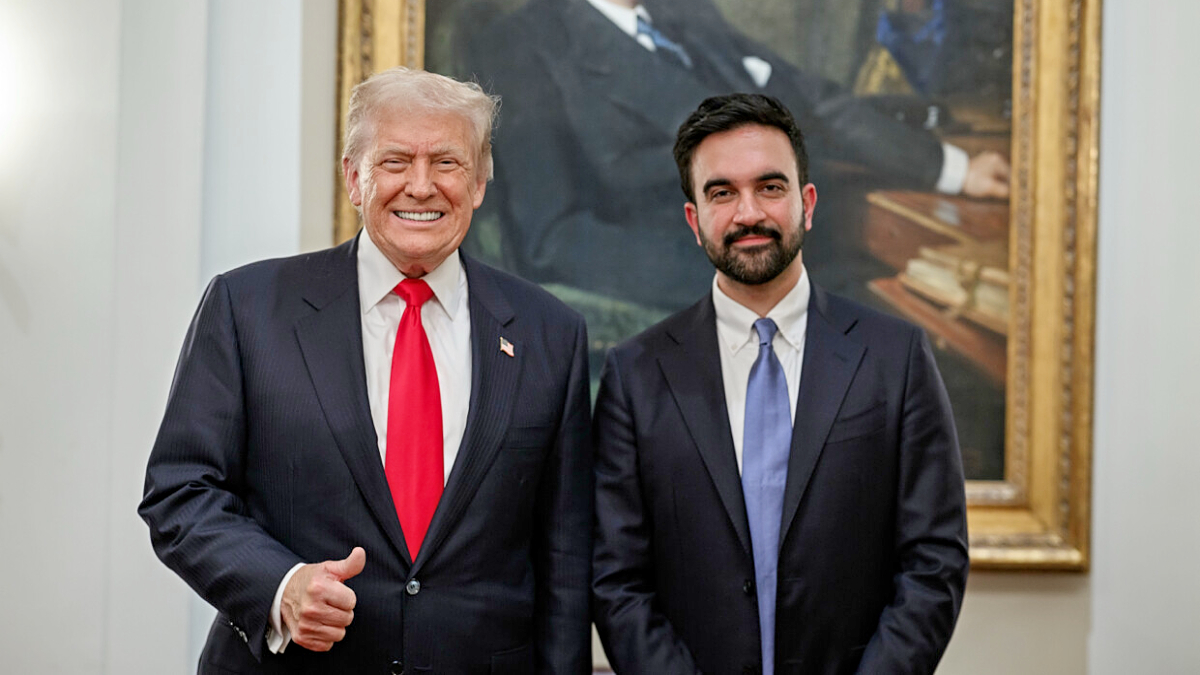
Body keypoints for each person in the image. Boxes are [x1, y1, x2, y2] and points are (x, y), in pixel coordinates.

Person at [139, 67, 593, 674]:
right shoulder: (247, 308)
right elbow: (180, 492)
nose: (422, 186)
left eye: (449, 163)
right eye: (396, 161)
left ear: (481, 182)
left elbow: (564, 556)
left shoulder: (550, 333)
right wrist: (281, 586)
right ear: (355, 177)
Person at [591, 93, 969, 674]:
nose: (748, 213)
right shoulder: (636, 375)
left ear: (807, 203)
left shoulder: (897, 357)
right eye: (722, 193)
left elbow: (933, 562)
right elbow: (616, 580)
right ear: (694, 220)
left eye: (770, 187)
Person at [466, 0, 1011, 311]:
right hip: (693, 295)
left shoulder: (686, 16)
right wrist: (738, 285)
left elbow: (815, 101)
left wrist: (952, 168)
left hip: (807, 259)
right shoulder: (521, 43)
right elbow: (552, 239)